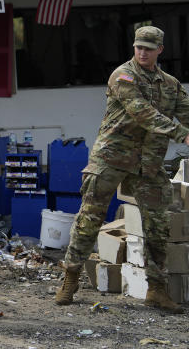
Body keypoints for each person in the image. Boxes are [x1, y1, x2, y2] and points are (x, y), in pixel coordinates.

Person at [55, 25, 189, 312]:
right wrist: (181, 133)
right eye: (139, 46)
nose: (142, 52)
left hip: (149, 164)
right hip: (112, 158)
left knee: (158, 225)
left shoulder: (170, 84)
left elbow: (186, 113)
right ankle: (71, 277)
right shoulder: (123, 75)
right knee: (89, 217)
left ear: (160, 50)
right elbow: (140, 111)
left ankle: (156, 289)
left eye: (149, 48)